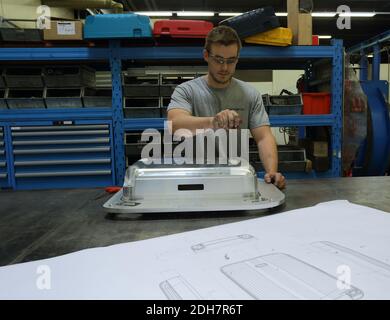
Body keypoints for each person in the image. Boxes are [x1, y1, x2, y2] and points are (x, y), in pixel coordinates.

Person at [167, 25, 286, 189]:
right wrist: (213, 122)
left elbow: (263, 137)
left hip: (236, 181)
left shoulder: (250, 94)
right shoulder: (187, 90)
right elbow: (174, 124)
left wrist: (272, 171)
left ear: (237, 59)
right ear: (206, 56)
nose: (224, 67)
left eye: (231, 61)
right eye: (218, 60)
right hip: (194, 181)